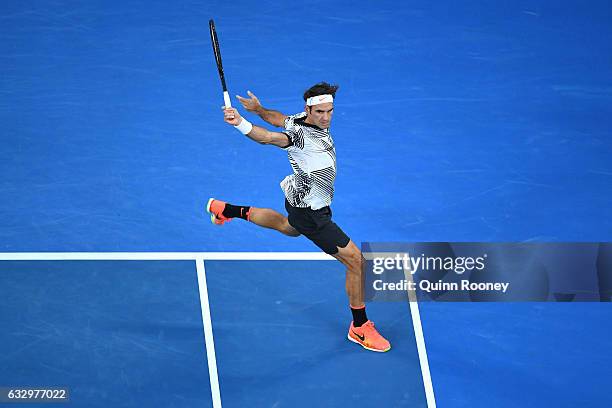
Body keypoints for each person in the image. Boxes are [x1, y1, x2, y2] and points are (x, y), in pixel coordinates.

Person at [207, 82, 390, 352]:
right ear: (309, 109)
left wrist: (259, 108)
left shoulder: (301, 121)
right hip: (312, 213)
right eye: (320, 112)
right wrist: (241, 123)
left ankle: (228, 210)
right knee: (357, 263)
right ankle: (359, 327)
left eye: (329, 111)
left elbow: (280, 119)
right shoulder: (300, 137)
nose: (326, 117)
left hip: (302, 202)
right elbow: (269, 137)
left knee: (288, 227)